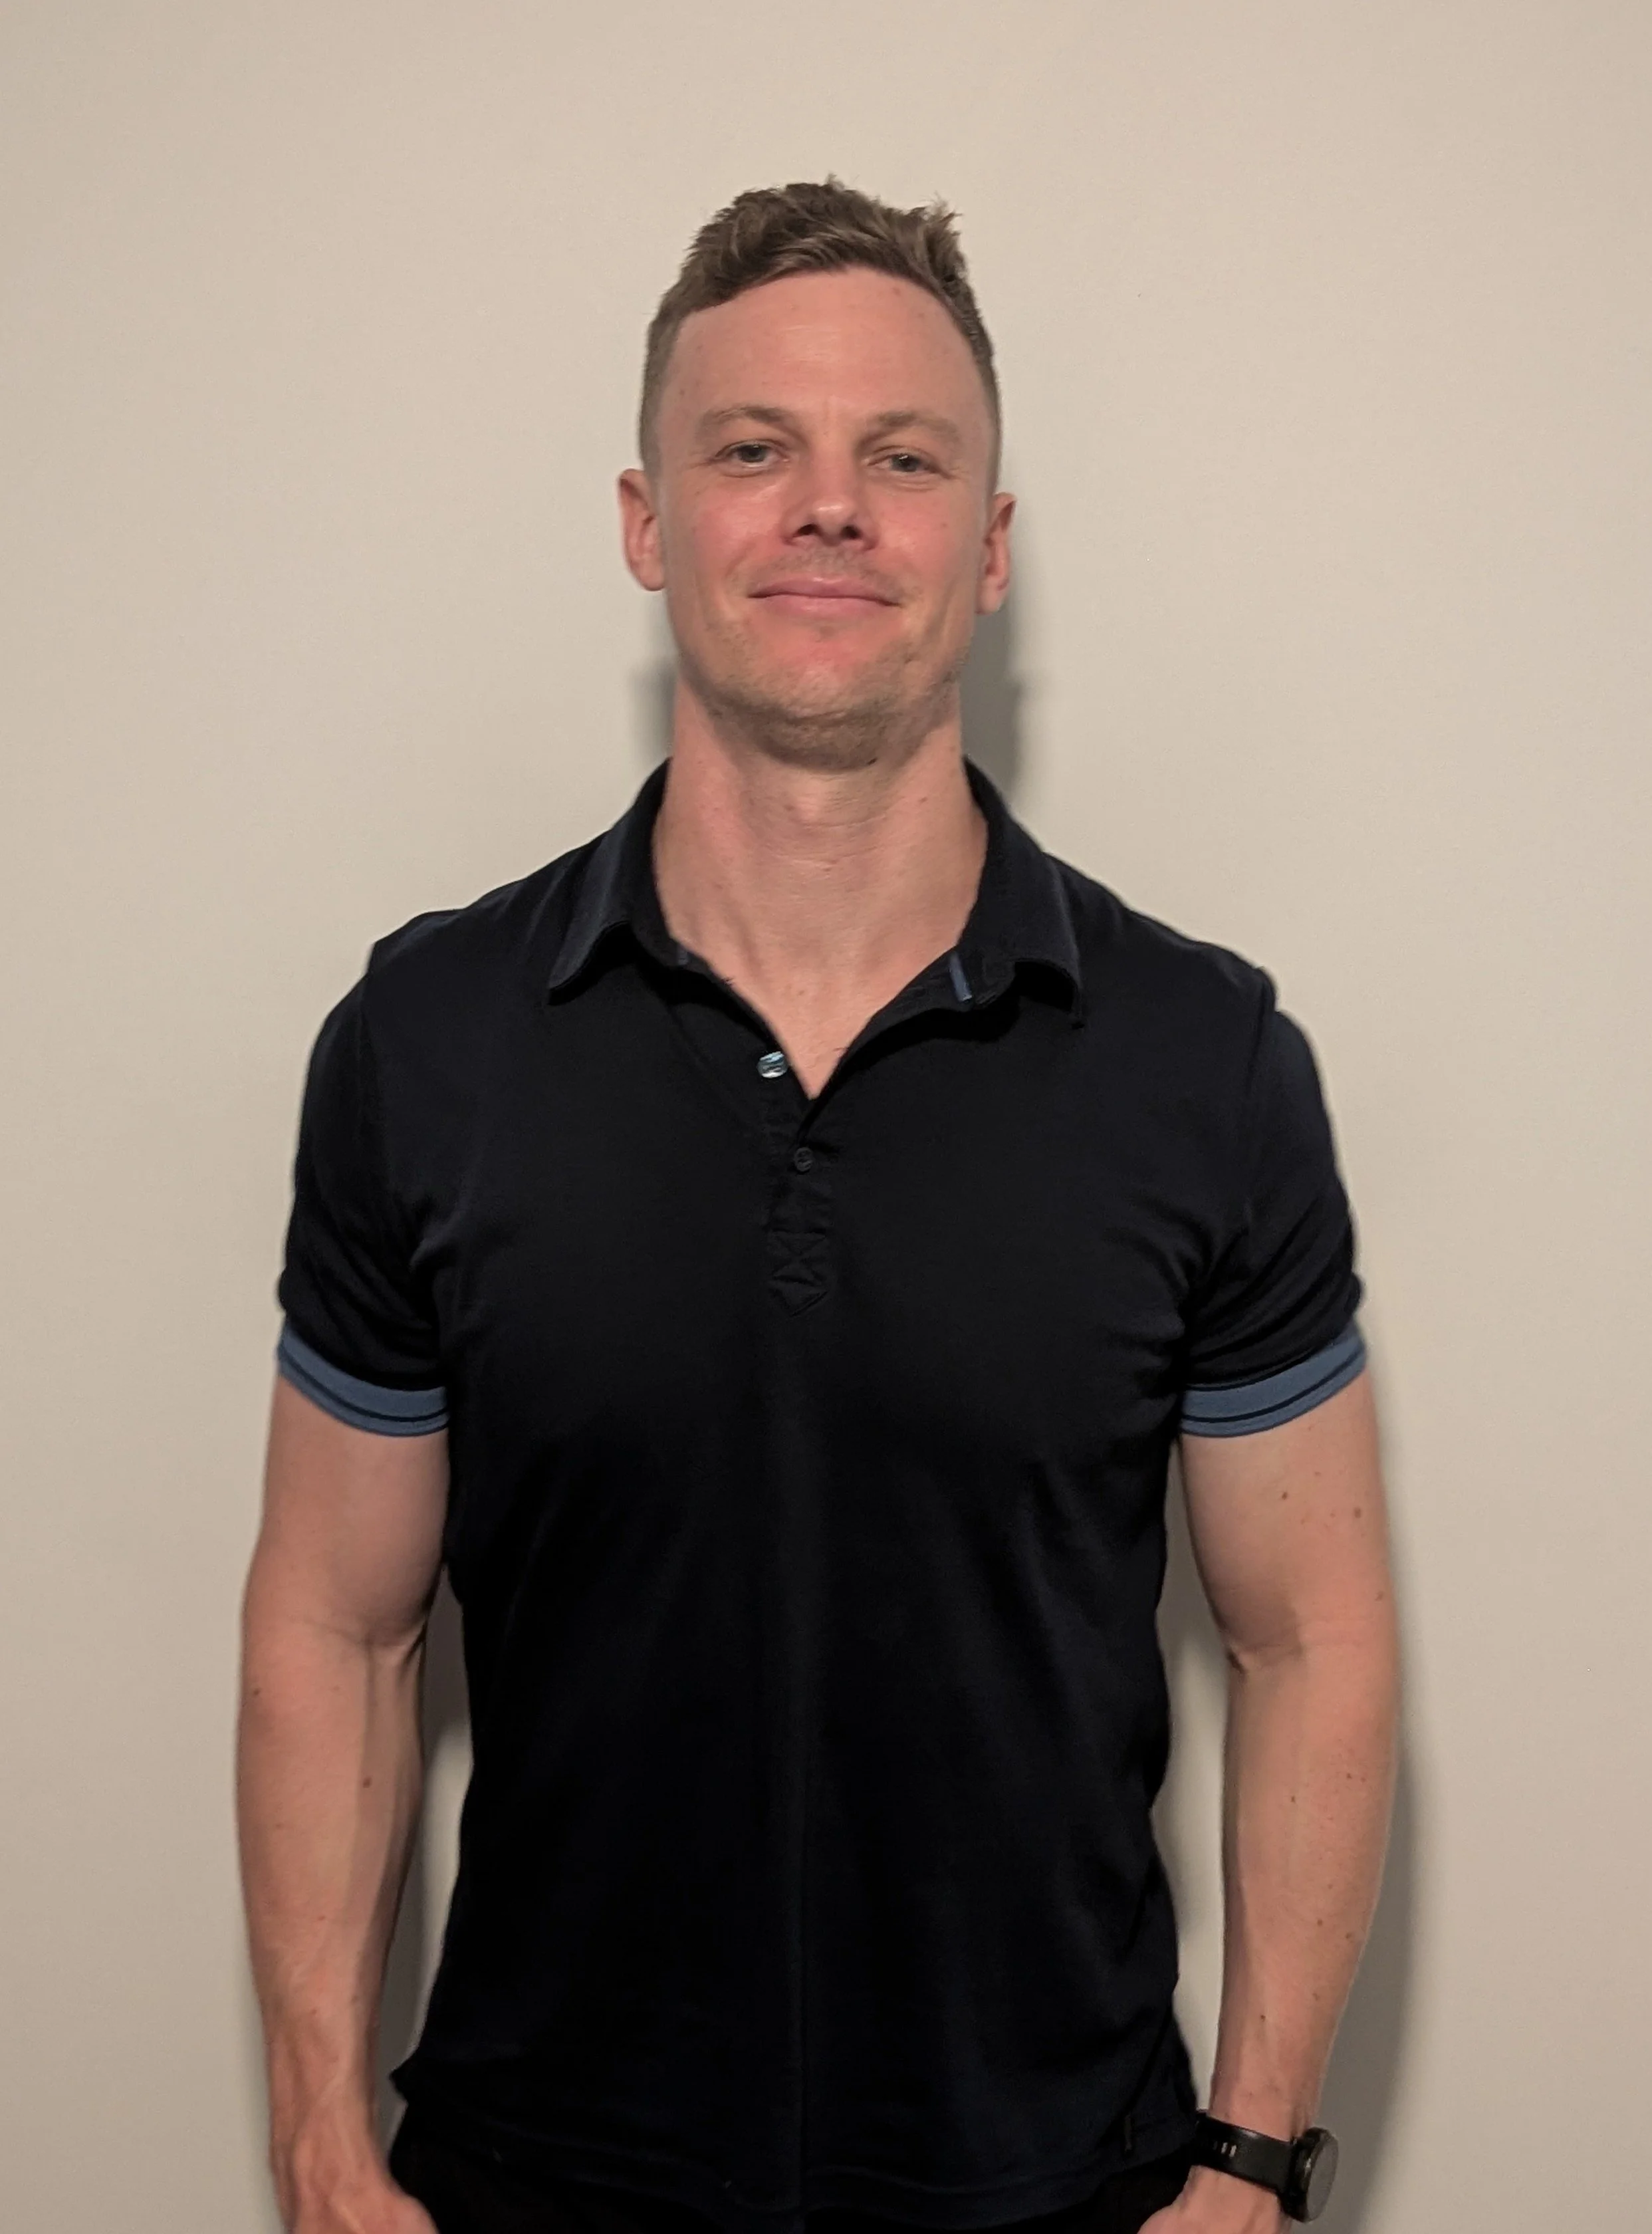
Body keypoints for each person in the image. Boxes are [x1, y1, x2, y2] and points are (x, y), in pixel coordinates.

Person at [237, 180, 1399, 2234]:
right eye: (752, 448)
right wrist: (323, 2147)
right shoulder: (427, 1044)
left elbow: (1307, 1636)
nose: (829, 508)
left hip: (1068, 2191)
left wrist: (1250, 2161)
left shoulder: (1201, 1062)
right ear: (644, 518)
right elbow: (338, 1621)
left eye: (903, 457)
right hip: (531, 2185)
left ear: (991, 546)